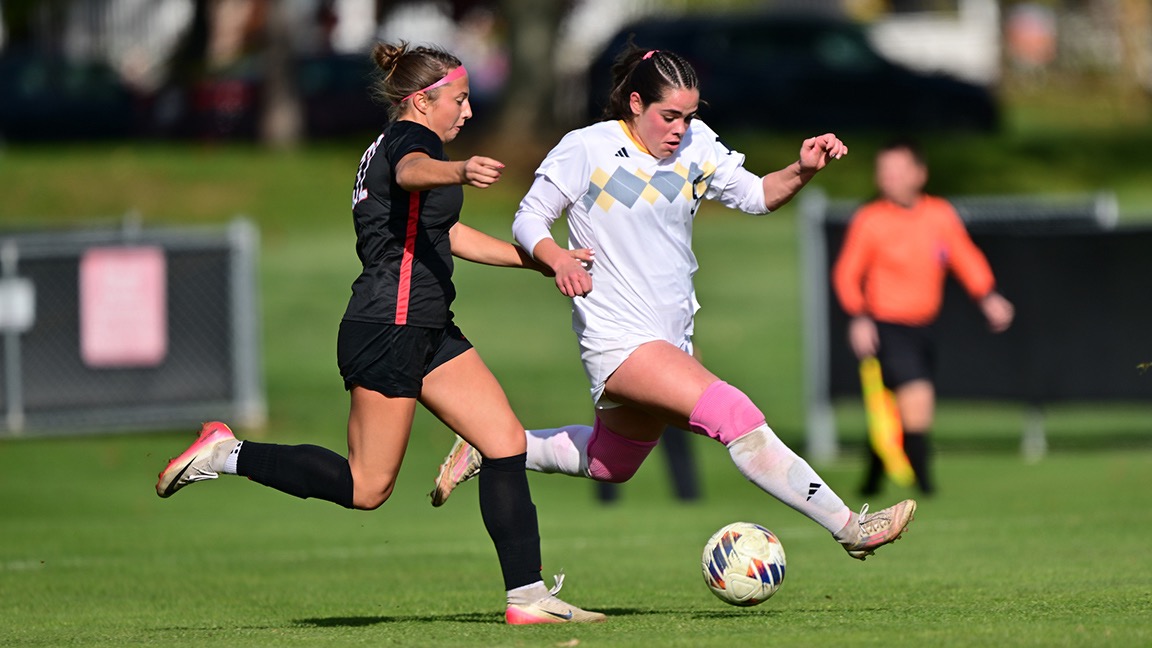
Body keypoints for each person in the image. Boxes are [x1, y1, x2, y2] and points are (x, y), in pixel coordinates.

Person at [155, 41, 604, 625]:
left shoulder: (398, 147)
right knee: (367, 486)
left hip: (427, 327)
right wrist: (460, 168)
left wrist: (543, 261)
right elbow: (414, 171)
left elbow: (452, 235)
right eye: (459, 100)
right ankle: (226, 452)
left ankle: (528, 598)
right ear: (421, 100)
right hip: (388, 327)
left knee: (504, 442)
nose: (467, 113)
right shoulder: (408, 145)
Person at [429, 44, 916, 561]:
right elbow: (530, 217)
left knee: (610, 463)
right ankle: (851, 526)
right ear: (635, 103)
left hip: (671, 338)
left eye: (688, 116)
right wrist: (557, 258)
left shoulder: (696, 145)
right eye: (669, 116)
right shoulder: (587, 148)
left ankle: (491, 446)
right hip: (619, 339)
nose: (680, 128)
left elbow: (756, 195)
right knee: (735, 415)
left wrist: (802, 169)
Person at [832, 138, 1015, 496]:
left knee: (894, 414)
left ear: (920, 174)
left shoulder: (939, 215)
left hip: (925, 328)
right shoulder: (870, 220)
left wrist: (988, 296)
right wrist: (859, 316)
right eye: (884, 172)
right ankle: (927, 487)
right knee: (917, 398)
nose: (890, 179)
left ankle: (869, 485)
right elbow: (846, 274)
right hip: (888, 328)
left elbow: (965, 257)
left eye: (898, 171)